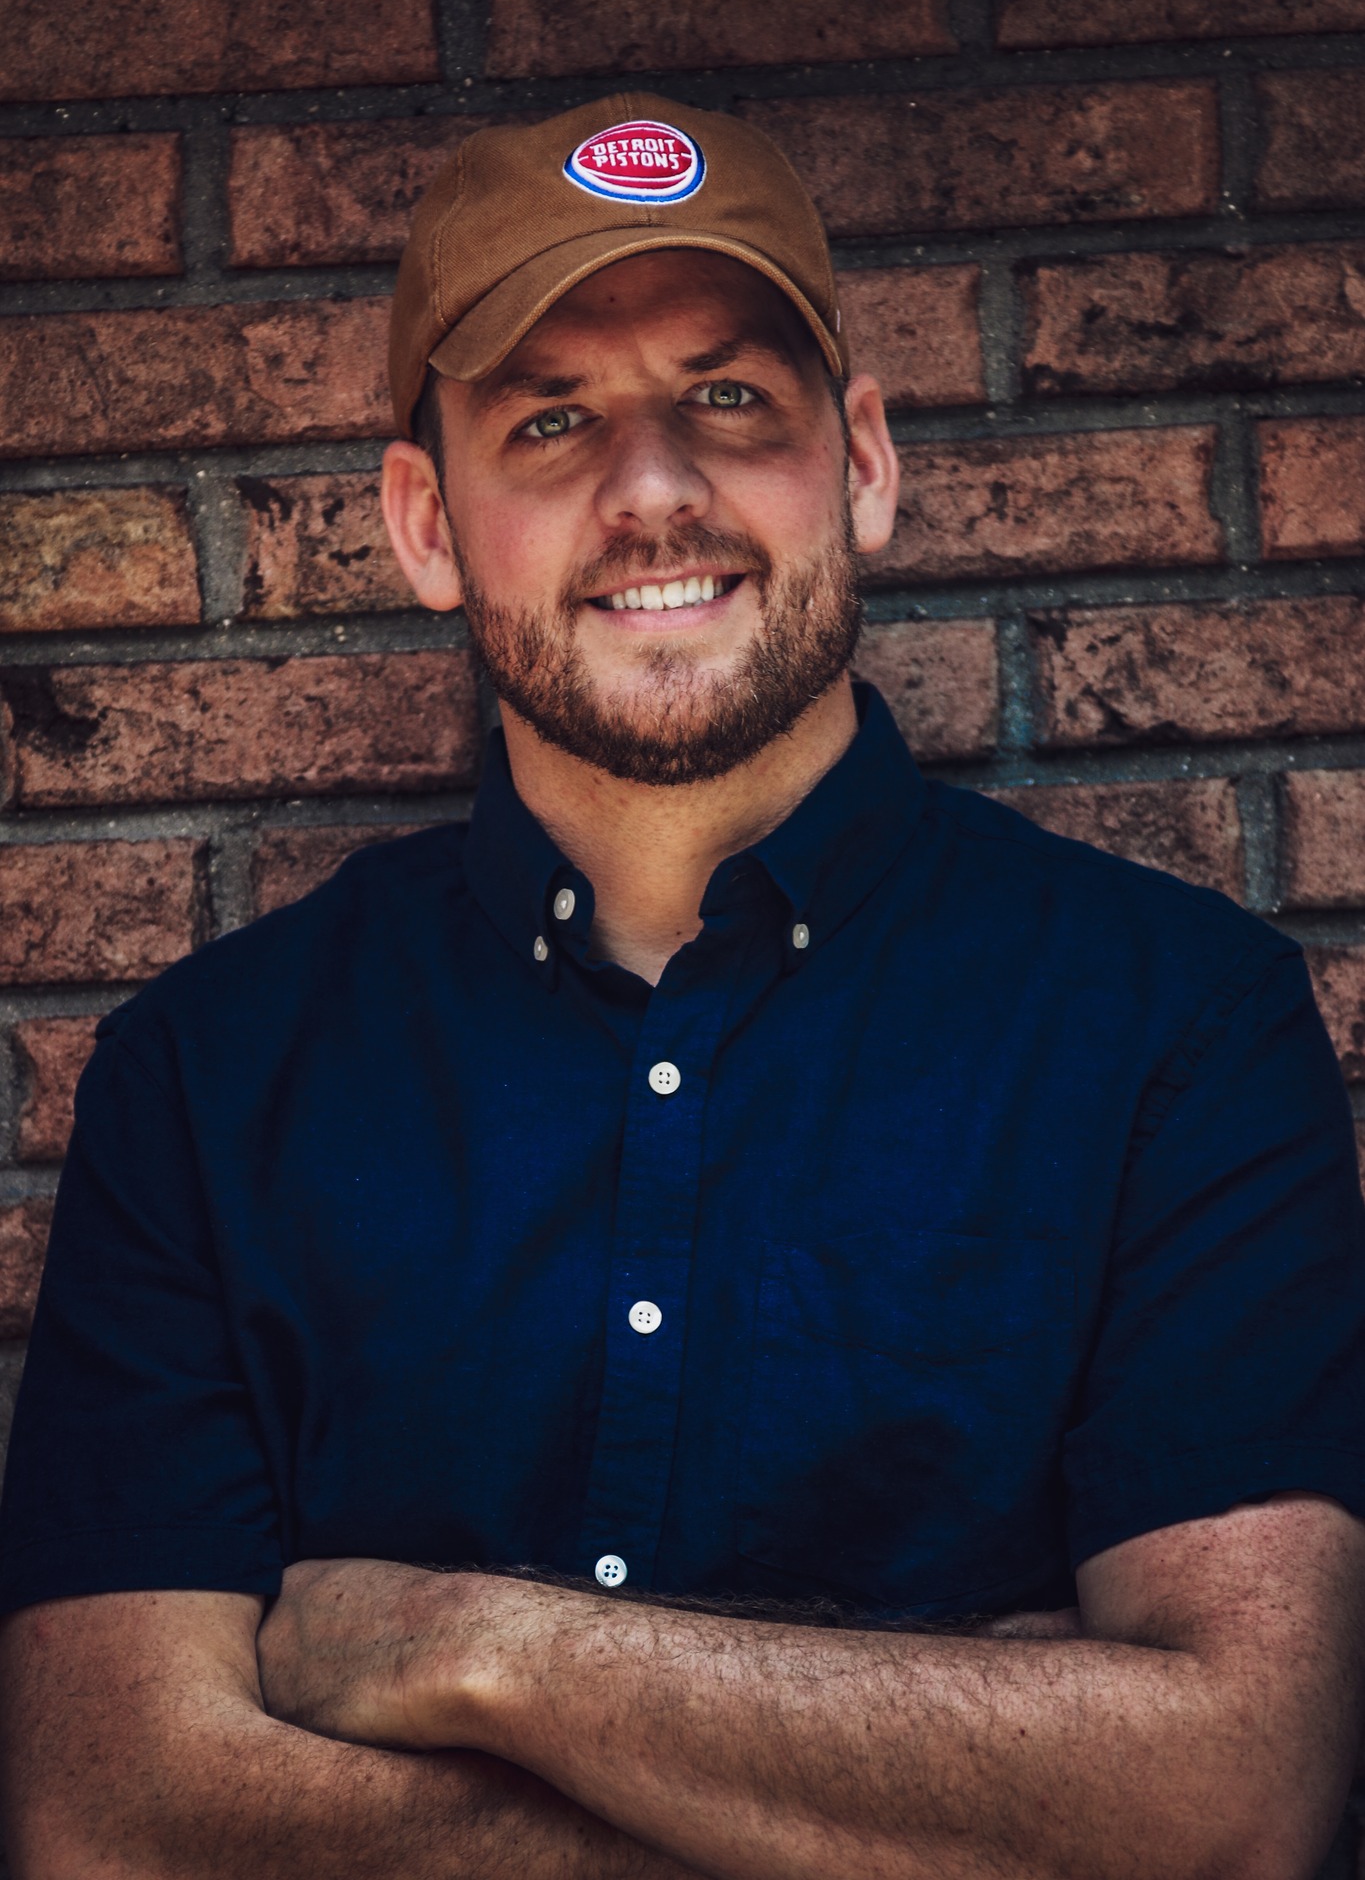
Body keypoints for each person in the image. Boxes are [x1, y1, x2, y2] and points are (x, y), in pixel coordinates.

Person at [1, 92, 1363, 1880]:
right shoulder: (211, 1075)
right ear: (424, 524)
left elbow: (1230, 1801)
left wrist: (457, 1649)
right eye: (550, 419)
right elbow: (111, 1826)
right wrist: (966, 1771)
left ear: (860, 461)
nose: (654, 491)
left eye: (727, 397)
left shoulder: (1176, 1026)